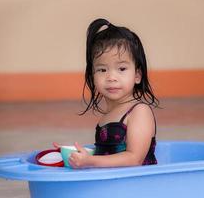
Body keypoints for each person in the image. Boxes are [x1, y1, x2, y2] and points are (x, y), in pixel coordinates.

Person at [68, 18, 159, 168]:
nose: (111, 77)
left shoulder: (139, 111)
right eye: (102, 70)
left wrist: (90, 161)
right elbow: (106, 155)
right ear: (92, 76)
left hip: (139, 187)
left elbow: (134, 159)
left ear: (137, 75)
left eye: (122, 69)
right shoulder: (108, 114)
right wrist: (72, 154)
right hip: (115, 187)